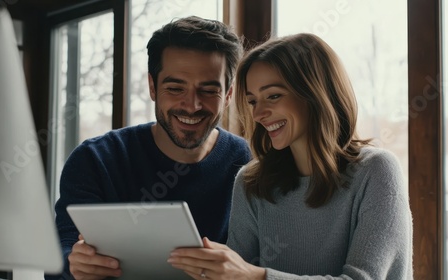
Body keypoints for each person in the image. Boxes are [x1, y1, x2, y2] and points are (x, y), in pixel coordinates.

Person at [167, 33, 413, 279]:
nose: (259, 113)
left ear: (315, 94)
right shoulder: (252, 182)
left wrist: (256, 276)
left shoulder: (376, 170)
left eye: (273, 96)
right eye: (253, 101)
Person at [46, 16, 250, 280]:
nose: (192, 105)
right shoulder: (96, 160)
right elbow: (61, 255)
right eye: (175, 88)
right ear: (152, 87)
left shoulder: (249, 163)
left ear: (229, 94)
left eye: (209, 91)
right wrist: (74, 264)